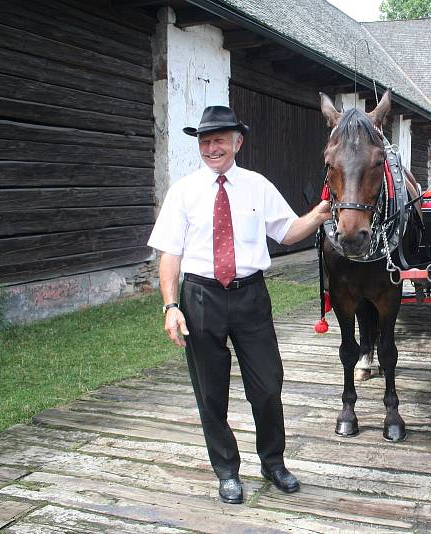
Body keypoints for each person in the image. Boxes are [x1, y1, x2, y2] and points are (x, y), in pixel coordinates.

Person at [147, 105, 331, 503]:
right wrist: (170, 306)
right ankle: (227, 471)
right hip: (199, 297)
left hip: (250, 296)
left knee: (267, 386)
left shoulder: (257, 186)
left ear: (237, 142)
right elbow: (170, 255)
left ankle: (273, 462)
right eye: (206, 141)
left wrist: (318, 214)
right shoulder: (183, 191)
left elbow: (286, 232)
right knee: (210, 393)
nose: (212, 148)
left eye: (220, 140)